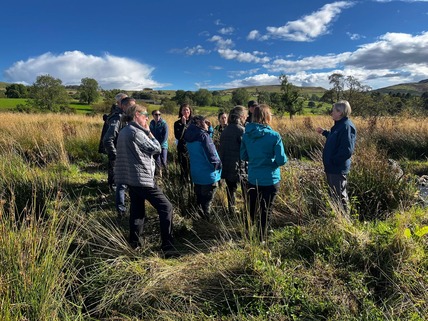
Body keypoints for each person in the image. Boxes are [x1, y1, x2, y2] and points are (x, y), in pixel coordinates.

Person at [114, 104, 174, 252]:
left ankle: (135, 245)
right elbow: (157, 148)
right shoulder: (136, 132)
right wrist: (149, 132)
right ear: (136, 116)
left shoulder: (123, 131)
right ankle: (168, 247)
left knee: (137, 211)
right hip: (142, 179)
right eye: (145, 114)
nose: (147, 117)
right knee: (166, 207)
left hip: (131, 178)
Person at [240, 104, 288, 241]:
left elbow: (243, 156)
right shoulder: (274, 136)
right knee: (266, 209)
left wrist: (256, 158)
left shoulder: (247, 135)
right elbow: (281, 160)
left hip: (253, 177)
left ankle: (248, 234)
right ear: (267, 117)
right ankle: (261, 237)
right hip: (270, 178)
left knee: (251, 208)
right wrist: (271, 160)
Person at [316, 100, 356, 214]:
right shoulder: (339, 126)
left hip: (337, 168)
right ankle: (338, 219)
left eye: (333, 111)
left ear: (340, 112)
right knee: (335, 194)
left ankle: (345, 222)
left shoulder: (346, 127)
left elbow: (347, 150)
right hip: (332, 168)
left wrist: (333, 161)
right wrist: (324, 132)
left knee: (340, 195)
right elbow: (335, 138)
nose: (331, 113)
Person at [103, 96, 136, 218]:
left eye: (134, 106)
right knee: (121, 184)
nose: (133, 108)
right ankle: (121, 211)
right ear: (123, 106)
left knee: (128, 182)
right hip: (122, 156)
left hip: (129, 155)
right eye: (131, 106)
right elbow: (107, 139)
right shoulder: (118, 118)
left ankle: (130, 206)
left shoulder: (128, 118)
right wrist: (116, 155)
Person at [184, 115, 222, 218]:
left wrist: (209, 129)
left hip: (196, 173)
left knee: (200, 201)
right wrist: (218, 167)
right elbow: (211, 155)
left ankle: (198, 222)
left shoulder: (189, 135)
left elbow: (203, 142)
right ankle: (205, 224)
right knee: (207, 204)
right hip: (208, 175)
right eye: (205, 122)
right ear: (201, 123)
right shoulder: (203, 137)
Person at [218, 106, 248, 214]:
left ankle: (231, 209)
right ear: (241, 116)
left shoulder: (225, 130)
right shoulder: (242, 130)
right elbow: (246, 149)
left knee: (230, 188)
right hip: (239, 166)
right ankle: (247, 211)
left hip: (226, 165)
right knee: (246, 190)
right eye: (245, 116)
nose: (246, 118)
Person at [174, 103, 193, 182]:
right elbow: (178, 137)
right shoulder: (177, 123)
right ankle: (184, 187)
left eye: (187, 110)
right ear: (181, 112)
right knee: (184, 169)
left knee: (192, 169)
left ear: (190, 111)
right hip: (182, 149)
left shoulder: (193, 122)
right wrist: (183, 125)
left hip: (193, 149)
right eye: (184, 110)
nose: (186, 111)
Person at [150, 109, 169, 177]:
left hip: (163, 145)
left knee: (164, 160)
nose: (158, 116)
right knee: (157, 161)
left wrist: (160, 144)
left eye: (159, 114)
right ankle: (159, 176)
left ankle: (167, 175)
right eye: (156, 114)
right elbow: (150, 133)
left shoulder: (164, 123)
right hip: (155, 145)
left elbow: (165, 136)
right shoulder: (151, 123)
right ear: (153, 115)